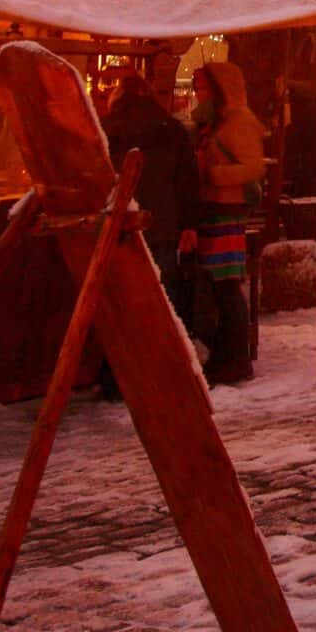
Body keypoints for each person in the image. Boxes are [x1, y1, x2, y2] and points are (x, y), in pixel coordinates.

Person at [97, 68, 201, 400]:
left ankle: (116, 379)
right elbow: (187, 181)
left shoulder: (106, 130)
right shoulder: (172, 129)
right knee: (159, 302)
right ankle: (158, 372)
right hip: (162, 226)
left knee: (117, 304)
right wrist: (189, 225)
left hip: (117, 228)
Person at [190, 61, 266, 386]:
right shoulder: (211, 122)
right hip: (212, 208)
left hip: (227, 209)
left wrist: (214, 175)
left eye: (203, 88)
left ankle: (235, 357)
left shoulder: (240, 121)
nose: (198, 94)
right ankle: (225, 354)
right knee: (216, 284)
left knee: (226, 285)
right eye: (197, 88)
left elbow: (253, 167)